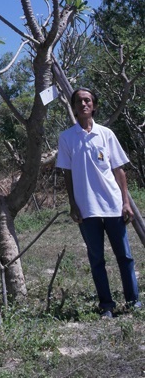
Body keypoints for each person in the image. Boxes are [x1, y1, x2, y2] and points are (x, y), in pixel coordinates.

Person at [56, 87, 141, 317]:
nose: (84, 104)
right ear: (73, 107)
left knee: (124, 256)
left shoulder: (106, 134)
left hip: (113, 205)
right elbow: (67, 174)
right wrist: (73, 204)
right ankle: (107, 306)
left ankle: (133, 302)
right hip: (87, 209)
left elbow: (118, 170)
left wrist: (126, 202)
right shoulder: (67, 138)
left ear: (93, 105)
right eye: (79, 101)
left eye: (88, 100)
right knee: (96, 259)